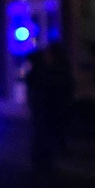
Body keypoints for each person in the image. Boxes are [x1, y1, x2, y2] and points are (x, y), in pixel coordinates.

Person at [24, 42, 74, 175]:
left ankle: (44, 162)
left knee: (47, 135)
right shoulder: (45, 68)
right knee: (43, 135)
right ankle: (42, 163)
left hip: (50, 108)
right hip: (45, 108)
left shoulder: (57, 70)